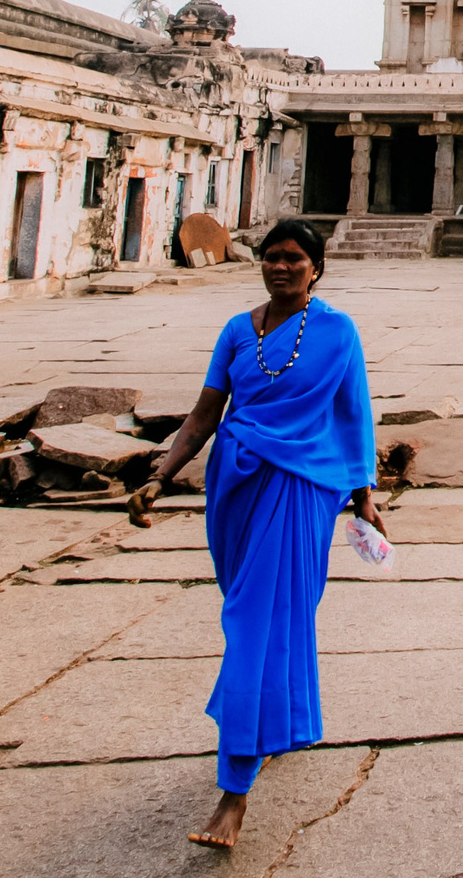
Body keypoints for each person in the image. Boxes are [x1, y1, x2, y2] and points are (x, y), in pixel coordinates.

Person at [129, 219, 381, 851]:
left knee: (254, 626)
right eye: (272, 257)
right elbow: (204, 414)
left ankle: (233, 791)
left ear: (316, 269)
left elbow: (353, 417)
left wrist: (364, 497)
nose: (281, 267)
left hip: (300, 488)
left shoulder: (337, 332)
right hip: (234, 489)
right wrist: (160, 477)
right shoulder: (237, 331)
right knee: (263, 618)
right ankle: (279, 722)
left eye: (295, 259)